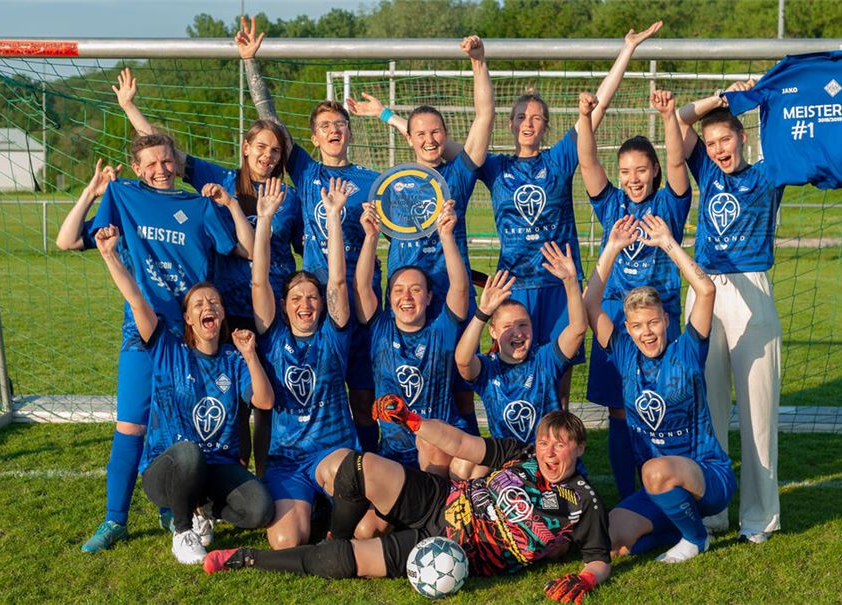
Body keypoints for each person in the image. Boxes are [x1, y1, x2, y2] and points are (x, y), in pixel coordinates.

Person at [204, 407, 612, 605]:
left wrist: (588, 579)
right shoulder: (520, 452)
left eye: (560, 444)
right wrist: (413, 421)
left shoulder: (583, 500)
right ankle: (337, 534)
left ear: (578, 448)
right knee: (356, 467)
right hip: (442, 500)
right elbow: (463, 444)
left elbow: (599, 557)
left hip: (455, 552)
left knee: (345, 563)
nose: (549, 451)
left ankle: (246, 557)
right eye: (545, 442)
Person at [59, 134, 251, 553]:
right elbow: (68, 240)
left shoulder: (198, 206)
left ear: (176, 163)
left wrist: (232, 206)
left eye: (167, 161)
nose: (161, 169)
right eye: (152, 163)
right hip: (144, 333)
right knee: (131, 426)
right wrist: (92, 193)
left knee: (191, 429)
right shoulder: (123, 197)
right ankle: (114, 520)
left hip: (193, 338)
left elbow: (243, 249)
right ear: (137, 168)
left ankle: (177, 508)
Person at [113, 67, 303, 479]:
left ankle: (271, 474)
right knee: (227, 395)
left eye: (276, 151)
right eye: (261, 147)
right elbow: (165, 158)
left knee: (267, 394)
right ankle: (228, 473)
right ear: (246, 147)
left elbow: (299, 249)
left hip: (270, 310)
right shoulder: (219, 178)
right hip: (221, 307)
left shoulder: (290, 196)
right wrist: (130, 108)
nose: (267, 156)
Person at [473, 22, 661, 407]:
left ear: (546, 126)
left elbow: (598, 107)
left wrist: (627, 49)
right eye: (521, 117)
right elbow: (439, 145)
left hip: (562, 284)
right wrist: (390, 116)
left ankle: (560, 455)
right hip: (517, 286)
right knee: (515, 372)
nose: (528, 123)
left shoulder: (559, 159)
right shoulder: (495, 166)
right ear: (510, 124)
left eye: (536, 118)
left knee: (558, 381)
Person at [235, 16, 383, 452]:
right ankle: (294, 464)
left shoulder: (372, 179)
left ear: (349, 132)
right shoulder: (306, 171)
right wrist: (251, 64)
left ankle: (371, 469)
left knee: (363, 392)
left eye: (340, 125)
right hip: (319, 301)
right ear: (314, 139)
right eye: (324, 128)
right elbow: (269, 118)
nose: (334, 132)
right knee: (310, 388)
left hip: (365, 294)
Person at [93, 224, 274, 564]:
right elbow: (136, 299)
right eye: (200, 303)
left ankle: (204, 506)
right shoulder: (168, 349)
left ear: (221, 315)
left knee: (259, 510)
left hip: (215, 465)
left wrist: (250, 356)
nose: (210, 306)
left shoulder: (234, 360)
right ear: (189, 318)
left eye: (215, 302)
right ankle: (182, 530)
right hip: (168, 469)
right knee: (190, 452)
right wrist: (110, 256)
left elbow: (264, 402)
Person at [345, 34, 494, 434]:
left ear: (445, 135)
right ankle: (398, 459)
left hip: (450, 297)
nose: (430, 140)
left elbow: (484, 117)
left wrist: (478, 62)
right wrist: (387, 116)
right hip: (405, 303)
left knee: (460, 385)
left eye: (436, 133)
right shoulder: (392, 184)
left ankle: (465, 468)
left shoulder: (458, 178)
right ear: (408, 138)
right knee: (399, 386)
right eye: (420, 134)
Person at [584, 214, 735, 563]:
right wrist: (611, 247)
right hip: (659, 488)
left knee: (654, 470)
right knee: (613, 535)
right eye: (637, 326)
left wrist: (668, 242)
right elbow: (591, 304)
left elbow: (706, 289)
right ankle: (677, 529)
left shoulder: (686, 350)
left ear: (666, 320)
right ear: (629, 328)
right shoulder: (624, 353)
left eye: (654, 322)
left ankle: (697, 539)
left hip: (706, 475)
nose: (647, 332)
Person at [677, 81, 783, 542]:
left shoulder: (768, 174)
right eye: (714, 141)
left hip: (751, 288)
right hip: (704, 291)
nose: (719, 149)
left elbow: (788, 131)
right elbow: (681, 118)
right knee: (708, 406)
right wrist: (722, 98)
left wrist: (760, 96)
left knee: (758, 409)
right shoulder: (706, 170)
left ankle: (760, 517)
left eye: (727, 139)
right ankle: (714, 510)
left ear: (743, 138)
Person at [576, 88, 693, 499]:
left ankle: (670, 488)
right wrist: (586, 118)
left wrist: (667, 116)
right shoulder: (612, 207)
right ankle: (631, 497)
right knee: (621, 410)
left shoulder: (669, 205)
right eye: (625, 171)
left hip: (661, 321)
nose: (632, 179)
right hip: (617, 323)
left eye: (641, 170)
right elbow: (587, 160)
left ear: (654, 170)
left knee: (667, 406)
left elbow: (679, 162)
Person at [251, 176, 360, 549]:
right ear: (284, 307)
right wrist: (263, 219)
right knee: (285, 541)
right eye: (296, 298)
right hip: (288, 460)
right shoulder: (274, 337)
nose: (305, 305)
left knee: (365, 532)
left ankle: (332, 506)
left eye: (312, 297)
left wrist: (332, 215)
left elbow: (338, 283)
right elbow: (259, 283)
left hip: (333, 451)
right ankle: (312, 508)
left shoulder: (333, 336)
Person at [355, 198, 469, 473]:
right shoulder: (381, 331)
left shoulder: (441, 331)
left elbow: (461, 289)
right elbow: (361, 288)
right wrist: (371, 237)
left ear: (430, 297)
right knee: (372, 517)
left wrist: (446, 236)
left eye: (416, 290)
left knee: (467, 468)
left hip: (440, 449)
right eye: (398, 290)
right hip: (394, 452)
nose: (406, 296)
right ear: (389, 298)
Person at [453, 244, 586, 478]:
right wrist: (482, 312)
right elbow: (463, 361)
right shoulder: (488, 369)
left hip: (547, 457)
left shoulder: (545, 359)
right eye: (507, 327)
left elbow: (576, 329)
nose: (517, 333)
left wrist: (570, 282)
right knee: (462, 467)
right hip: (508, 459)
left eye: (523, 324)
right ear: (492, 332)